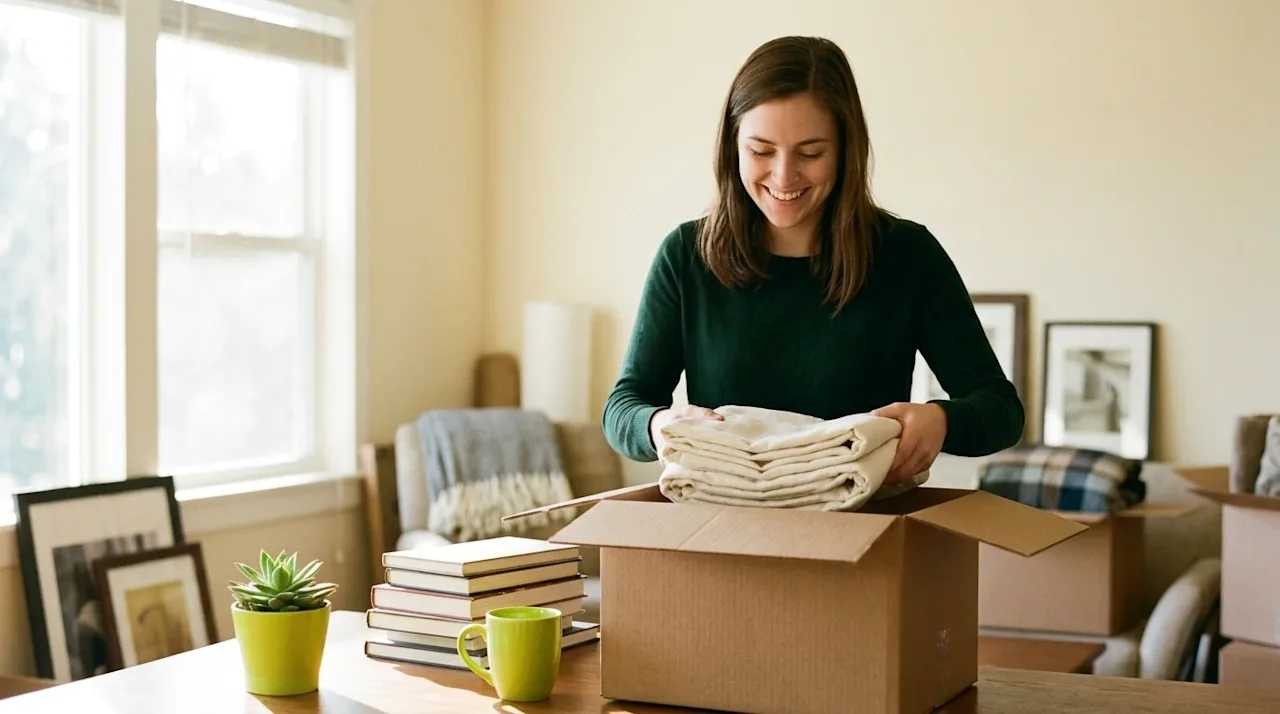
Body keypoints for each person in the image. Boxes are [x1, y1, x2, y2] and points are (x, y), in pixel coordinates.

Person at [600, 35, 1024, 484]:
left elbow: (1000, 410)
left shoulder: (908, 255)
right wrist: (657, 426)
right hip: (725, 529)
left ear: (845, 150)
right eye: (760, 151)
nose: (783, 176)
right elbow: (623, 408)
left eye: (811, 153)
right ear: (732, 146)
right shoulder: (686, 255)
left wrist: (941, 421)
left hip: (864, 532)